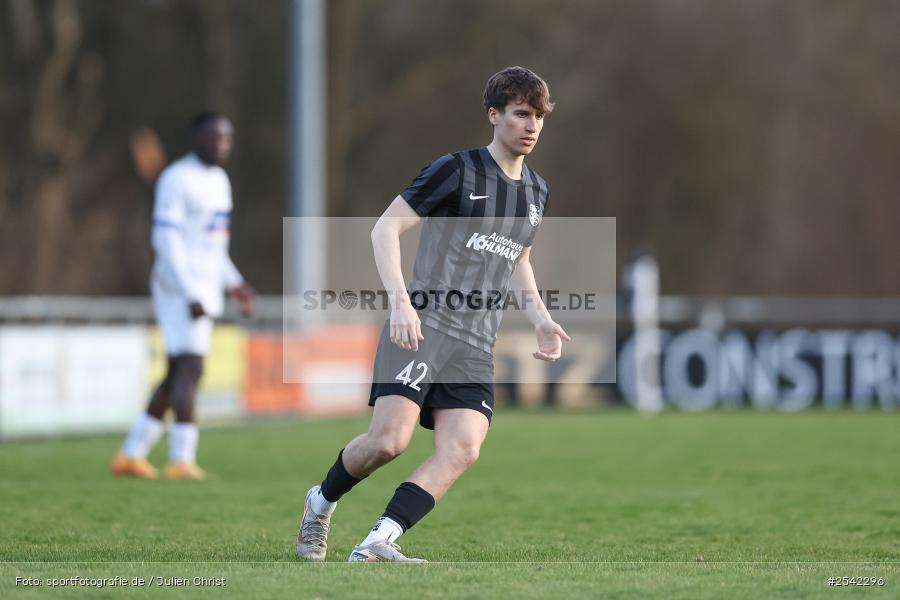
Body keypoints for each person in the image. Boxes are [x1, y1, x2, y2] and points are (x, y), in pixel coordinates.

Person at [296, 66, 570, 562]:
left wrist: (541, 318)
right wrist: (401, 301)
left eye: (539, 117)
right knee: (388, 443)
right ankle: (319, 502)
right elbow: (385, 229)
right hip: (423, 328)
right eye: (521, 114)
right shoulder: (456, 171)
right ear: (494, 115)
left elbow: (519, 259)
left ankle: (380, 541)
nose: (532, 125)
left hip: (474, 342)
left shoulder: (537, 192)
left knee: (463, 448)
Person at [112, 112, 255, 481]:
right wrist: (190, 291)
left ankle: (130, 455)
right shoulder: (177, 178)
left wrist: (234, 282)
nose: (219, 144)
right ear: (196, 139)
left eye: (225, 138)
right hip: (177, 287)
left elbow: (212, 245)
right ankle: (181, 459)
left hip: (204, 287)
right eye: (212, 137)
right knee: (191, 367)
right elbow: (166, 240)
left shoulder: (220, 181)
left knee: (178, 370)